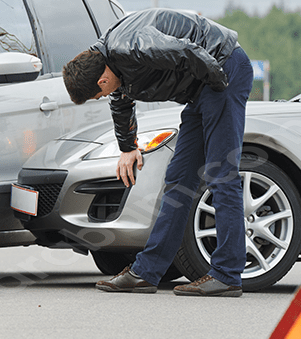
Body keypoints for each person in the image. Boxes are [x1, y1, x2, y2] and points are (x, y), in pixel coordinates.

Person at [63, 9, 253, 297]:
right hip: (202, 88)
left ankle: (227, 274)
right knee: (179, 178)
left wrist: (219, 89)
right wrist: (127, 148)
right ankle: (146, 272)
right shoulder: (109, 61)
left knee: (220, 174)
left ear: (101, 81)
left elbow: (187, 51)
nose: (103, 97)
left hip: (222, 71)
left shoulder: (132, 46)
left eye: (97, 95)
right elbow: (121, 100)